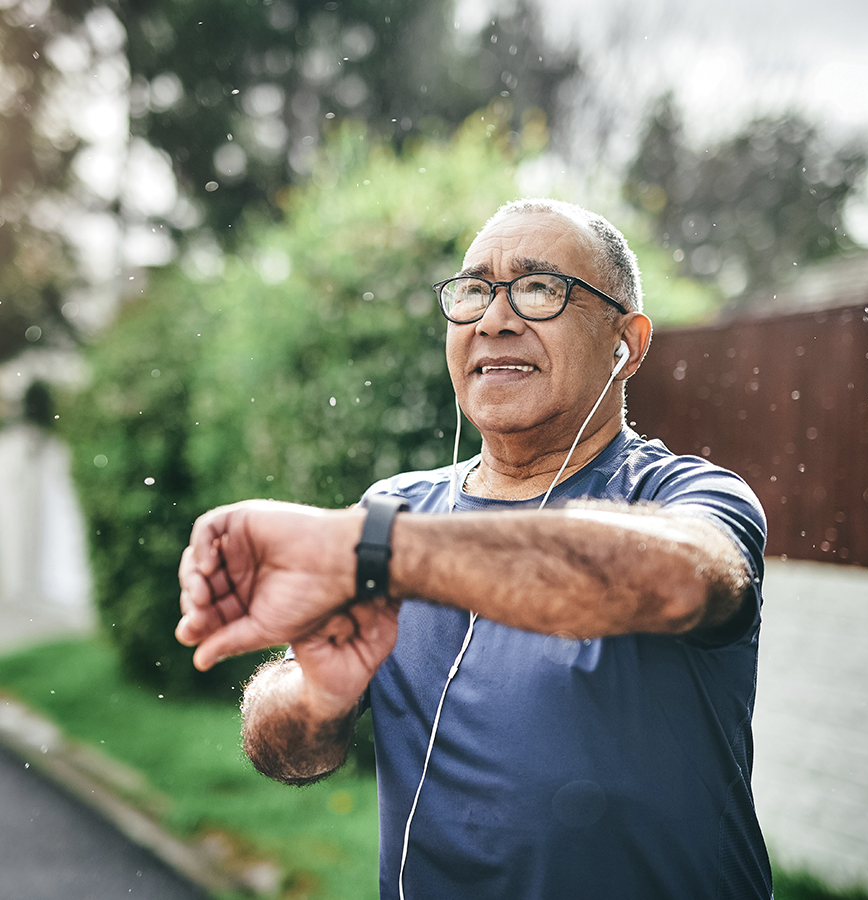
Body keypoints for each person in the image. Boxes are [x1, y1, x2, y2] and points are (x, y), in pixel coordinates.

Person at [176, 198, 773, 899]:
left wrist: (379, 549)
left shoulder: (688, 497)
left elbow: (677, 577)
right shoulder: (395, 511)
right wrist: (315, 698)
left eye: (540, 288)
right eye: (474, 290)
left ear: (628, 342)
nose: (494, 318)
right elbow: (287, 754)